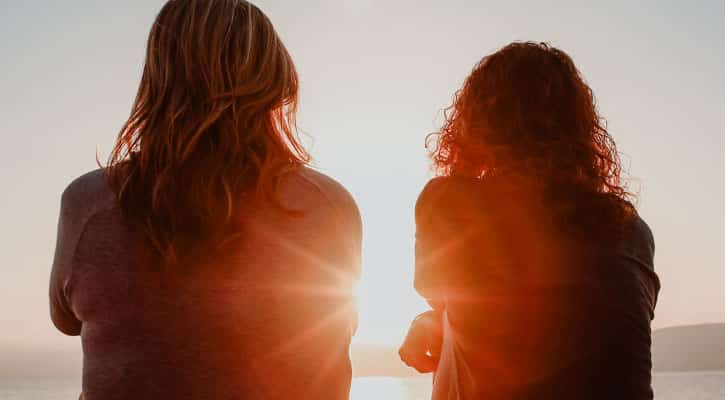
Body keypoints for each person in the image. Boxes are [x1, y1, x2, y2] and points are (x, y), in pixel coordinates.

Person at [49, 1, 361, 399]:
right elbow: (340, 327)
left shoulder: (89, 202)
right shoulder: (328, 206)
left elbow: (65, 319)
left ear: (157, 79)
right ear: (275, 78)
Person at [399, 42, 660, 399]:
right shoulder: (631, 228)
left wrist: (430, 319)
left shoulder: (450, 203)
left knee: (453, 331)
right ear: (579, 131)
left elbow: (440, 293)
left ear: (475, 125)